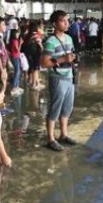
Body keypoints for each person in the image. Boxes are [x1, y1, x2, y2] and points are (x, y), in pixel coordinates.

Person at [41, 10, 77, 151]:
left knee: (67, 107)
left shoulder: (69, 38)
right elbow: (44, 62)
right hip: (57, 78)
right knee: (55, 108)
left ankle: (64, 134)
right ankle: (51, 138)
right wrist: (62, 59)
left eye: (67, 20)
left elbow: (71, 55)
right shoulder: (50, 41)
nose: (67, 23)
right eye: (63, 21)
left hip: (69, 76)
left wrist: (72, 60)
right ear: (55, 24)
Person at [9, 29, 23, 96]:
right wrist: (20, 43)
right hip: (15, 57)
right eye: (17, 34)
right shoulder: (14, 41)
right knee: (17, 71)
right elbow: (17, 50)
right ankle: (14, 87)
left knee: (18, 71)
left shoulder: (14, 40)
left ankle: (17, 86)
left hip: (16, 56)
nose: (18, 35)